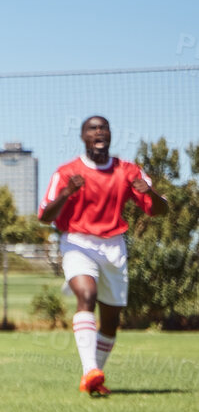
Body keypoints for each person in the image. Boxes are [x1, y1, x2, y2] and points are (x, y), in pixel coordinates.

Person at [37, 115, 162, 396]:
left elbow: (159, 209)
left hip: (114, 247)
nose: (98, 132)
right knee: (86, 296)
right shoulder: (66, 172)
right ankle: (90, 370)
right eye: (92, 128)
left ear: (109, 135)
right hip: (78, 242)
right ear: (83, 137)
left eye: (103, 128)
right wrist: (67, 193)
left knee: (110, 322)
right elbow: (44, 216)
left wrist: (150, 193)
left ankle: (94, 378)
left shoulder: (127, 171)